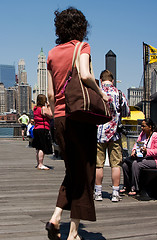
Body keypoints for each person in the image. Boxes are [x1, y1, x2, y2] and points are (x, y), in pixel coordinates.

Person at [45, 7, 110, 240]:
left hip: (60, 118)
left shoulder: (52, 54)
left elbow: (51, 95)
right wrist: (101, 94)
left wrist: (57, 115)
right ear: (81, 27)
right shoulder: (82, 47)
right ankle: (73, 232)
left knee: (73, 170)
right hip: (80, 117)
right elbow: (84, 75)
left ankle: (55, 217)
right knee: (85, 172)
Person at [94, 70, 130, 203]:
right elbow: (126, 112)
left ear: (101, 79)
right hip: (115, 134)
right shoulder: (119, 93)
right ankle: (115, 193)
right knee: (116, 165)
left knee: (99, 165)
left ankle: (98, 193)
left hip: (98, 134)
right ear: (113, 80)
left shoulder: (97, 92)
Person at [121, 118, 157, 196]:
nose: (142, 128)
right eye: (141, 126)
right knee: (125, 164)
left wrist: (147, 151)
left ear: (150, 127)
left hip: (153, 160)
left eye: (144, 126)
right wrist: (134, 150)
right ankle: (127, 185)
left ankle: (135, 187)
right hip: (141, 157)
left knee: (136, 164)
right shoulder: (142, 134)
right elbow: (137, 143)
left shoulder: (156, 136)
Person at [32, 94, 53, 170]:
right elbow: (51, 115)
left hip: (36, 128)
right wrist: (49, 106)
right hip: (43, 129)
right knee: (42, 147)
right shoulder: (43, 108)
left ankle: (38, 163)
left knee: (38, 147)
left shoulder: (35, 108)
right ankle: (40, 164)